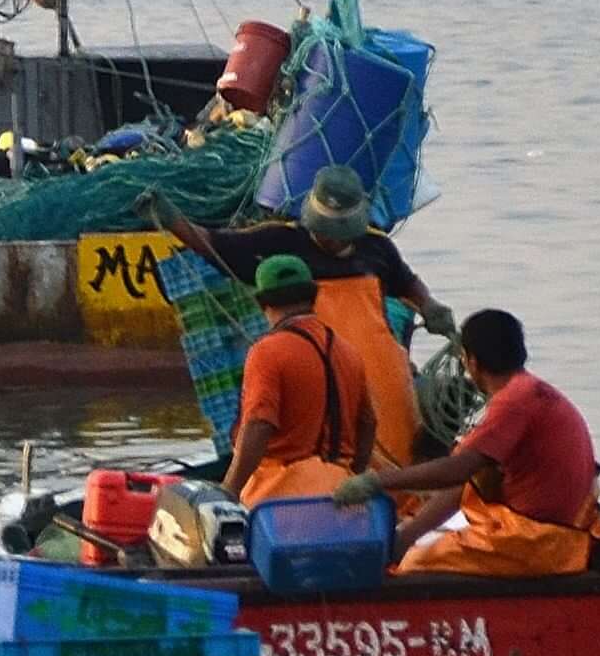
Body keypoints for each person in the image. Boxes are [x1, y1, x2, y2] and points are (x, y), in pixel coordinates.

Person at [150, 164, 439, 471]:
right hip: (321, 374)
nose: (332, 241)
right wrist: (172, 219)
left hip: (382, 374)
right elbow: (215, 244)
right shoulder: (279, 243)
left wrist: (431, 307)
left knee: (399, 457)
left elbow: (407, 283)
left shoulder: (378, 247)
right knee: (331, 450)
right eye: (326, 231)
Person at [354, 309, 600, 578]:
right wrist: (407, 536)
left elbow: (457, 470)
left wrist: (379, 482)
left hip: (537, 541)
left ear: (472, 362)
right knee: (419, 544)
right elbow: (468, 481)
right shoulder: (533, 390)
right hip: (559, 537)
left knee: (413, 565)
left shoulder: (513, 401)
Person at [221, 255, 367, 504]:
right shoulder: (348, 351)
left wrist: (229, 490)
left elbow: (259, 424)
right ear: (314, 297)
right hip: (341, 487)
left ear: (262, 303)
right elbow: (368, 424)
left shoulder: (267, 351)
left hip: (280, 495)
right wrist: (357, 477)